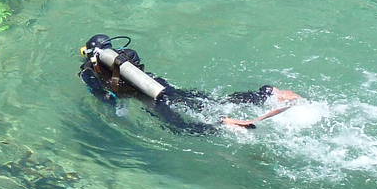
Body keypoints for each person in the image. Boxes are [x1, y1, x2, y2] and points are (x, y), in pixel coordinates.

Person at [79, 35, 301, 133]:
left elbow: (105, 97)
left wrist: (117, 108)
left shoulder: (88, 72)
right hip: (162, 85)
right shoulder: (125, 55)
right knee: (215, 101)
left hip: (151, 97)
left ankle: (222, 125)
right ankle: (267, 93)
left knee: (180, 128)